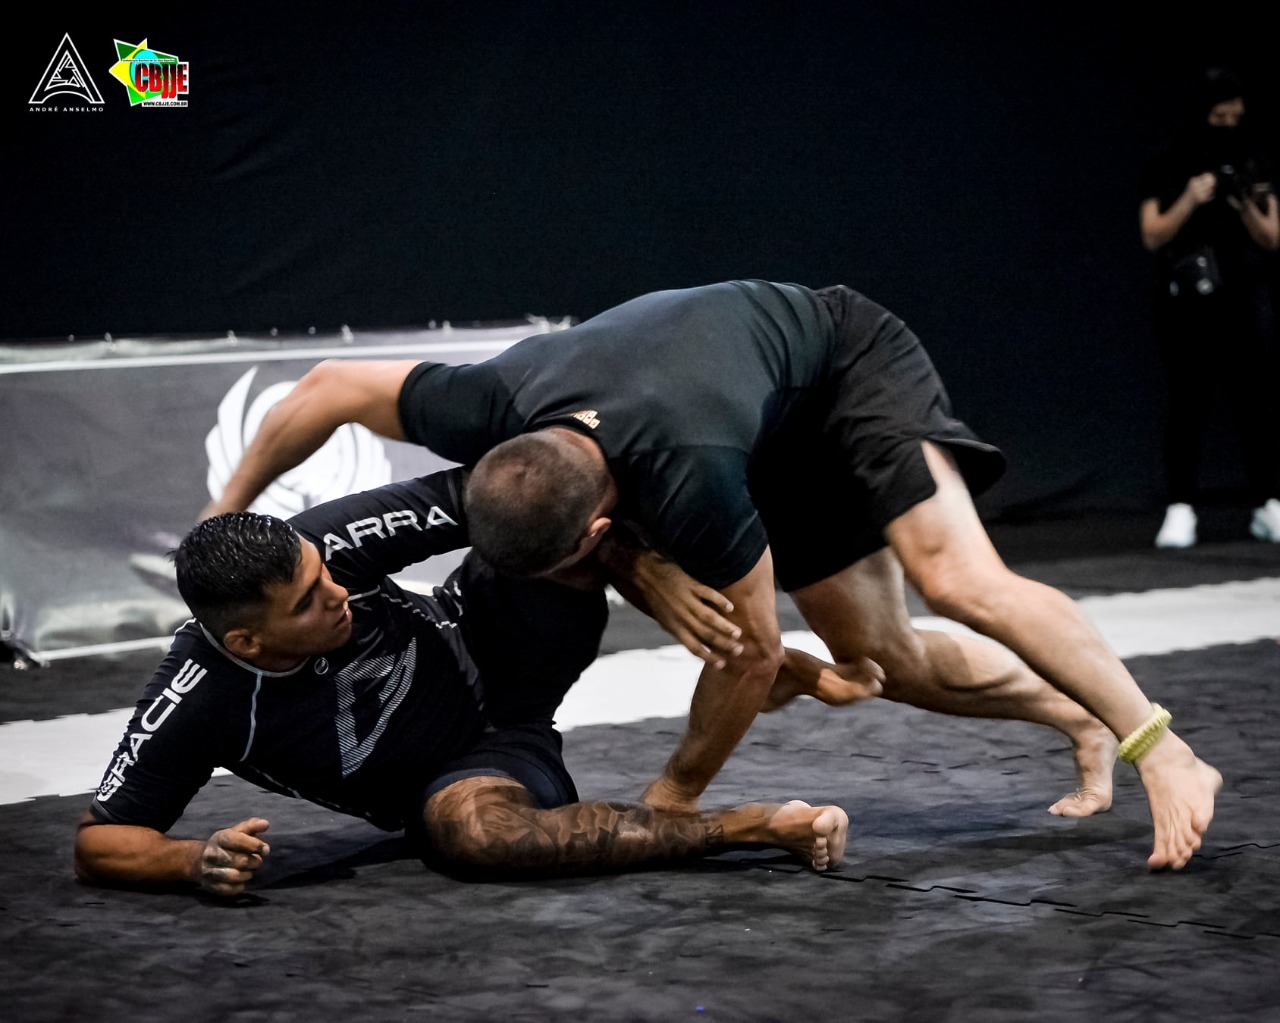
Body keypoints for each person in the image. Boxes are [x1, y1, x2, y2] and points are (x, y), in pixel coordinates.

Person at [202, 280, 1221, 870]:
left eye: (592, 552)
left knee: (953, 578)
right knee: (887, 659)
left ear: (604, 519)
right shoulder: (488, 403)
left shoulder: (685, 480)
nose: (598, 565)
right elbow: (329, 388)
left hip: (839, 364)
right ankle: (1076, 715)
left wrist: (672, 797)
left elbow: (754, 656)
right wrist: (228, 507)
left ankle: (1158, 745)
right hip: (750, 420)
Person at [75, 468, 849, 896]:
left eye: (326, 575)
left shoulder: (327, 543)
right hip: (475, 766)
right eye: (310, 602)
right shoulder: (197, 695)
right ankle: (752, 825)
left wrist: (648, 570)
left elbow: (489, 487)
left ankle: (750, 654)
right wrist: (188, 860)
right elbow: (102, 840)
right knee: (475, 834)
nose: (338, 591)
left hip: (496, 631)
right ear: (245, 638)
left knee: (545, 499)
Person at [1140, 68, 1280, 549]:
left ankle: (1268, 505)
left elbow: (1271, 236)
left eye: (1234, 117)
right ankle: (1181, 508)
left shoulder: (1252, 161)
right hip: (1191, 301)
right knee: (1189, 404)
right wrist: (1191, 199)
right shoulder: (1170, 161)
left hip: (1245, 295)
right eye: (1219, 117)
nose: (1228, 125)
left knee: (1256, 404)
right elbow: (1152, 233)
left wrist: (1243, 204)